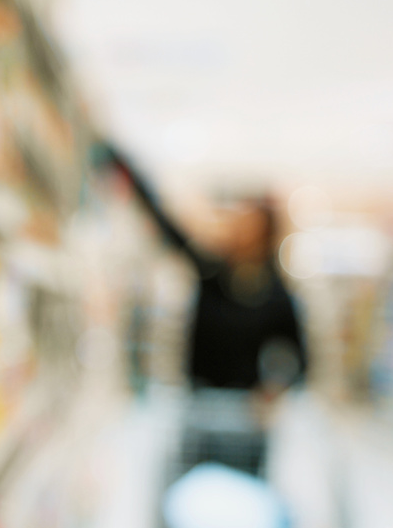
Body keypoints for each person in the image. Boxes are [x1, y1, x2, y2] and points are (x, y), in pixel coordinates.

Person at [101, 143, 308, 393]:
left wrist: (276, 386)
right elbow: (166, 225)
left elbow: (301, 361)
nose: (238, 229)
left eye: (248, 225)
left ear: (264, 235)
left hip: (245, 414)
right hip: (198, 402)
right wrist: (122, 162)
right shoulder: (212, 272)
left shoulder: (277, 295)